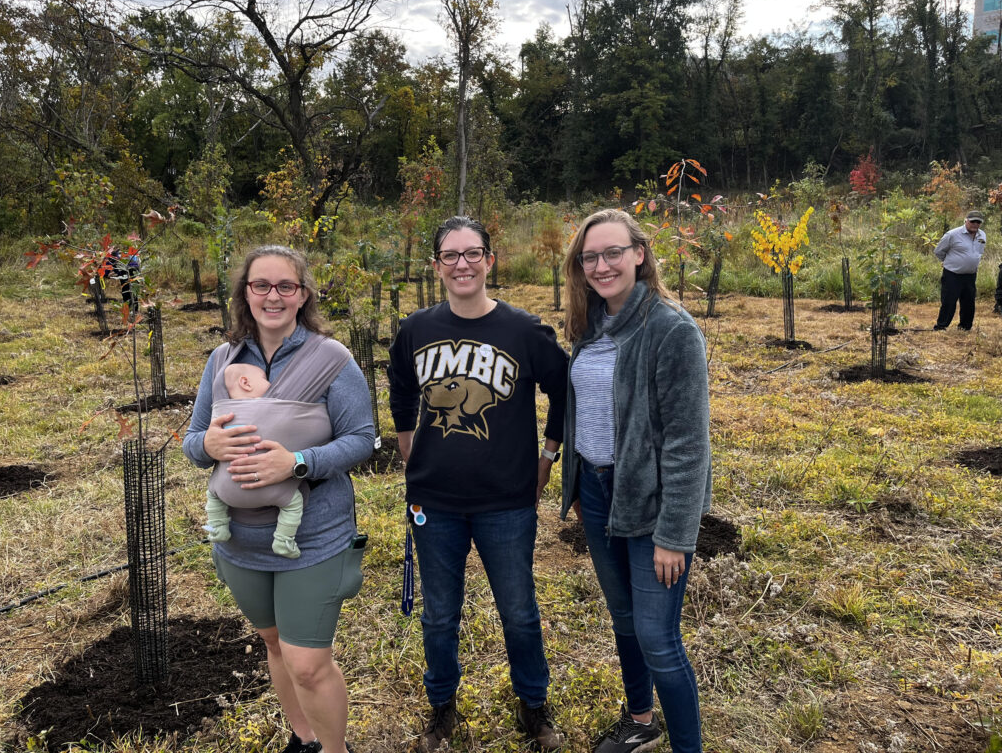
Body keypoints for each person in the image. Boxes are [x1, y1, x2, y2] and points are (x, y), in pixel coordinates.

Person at [387, 216, 569, 753]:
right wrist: (406, 443)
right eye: (450, 255)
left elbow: (564, 392)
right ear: (437, 265)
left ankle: (534, 707)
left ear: (490, 260)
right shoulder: (416, 329)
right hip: (435, 500)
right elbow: (400, 385)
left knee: (519, 611)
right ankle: (441, 708)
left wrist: (549, 454)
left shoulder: (525, 331)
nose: (462, 264)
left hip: (506, 500)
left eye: (472, 254)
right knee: (439, 614)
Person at [183, 245, 374, 753]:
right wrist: (208, 445)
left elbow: (361, 439)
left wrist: (297, 463)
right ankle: (303, 739)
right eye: (260, 285)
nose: (273, 295)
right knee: (273, 643)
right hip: (241, 542)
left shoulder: (331, 359)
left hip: (311, 536)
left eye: (285, 286)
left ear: (303, 294)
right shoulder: (223, 360)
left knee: (308, 663)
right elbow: (193, 439)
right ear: (245, 294)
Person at [559, 209, 711, 753]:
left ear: (640, 254)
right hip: (599, 497)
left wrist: (675, 534)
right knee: (624, 620)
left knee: (658, 637)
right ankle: (641, 721)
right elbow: (582, 412)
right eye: (590, 257)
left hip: (650, 505)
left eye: (613, 253)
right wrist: (576, 486)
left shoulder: (671, 330)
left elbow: (688, 445)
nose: (602, 266)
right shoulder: (590, 322)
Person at [204, 363, 306, 559]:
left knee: (212, 494)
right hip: (273, 487)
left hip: (227, 488)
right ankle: (284, 539)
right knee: (294, 503)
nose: (270, 383)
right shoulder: (275, 408)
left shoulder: (223, 414)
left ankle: (217, 527)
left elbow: (201, 434)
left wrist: (206, 442)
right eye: (265, 379)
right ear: (246, 383)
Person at [933, 210, 986, 331]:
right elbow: (938, 251)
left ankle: (965, 327)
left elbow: (979, 251)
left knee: (969, 302)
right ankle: (941, 326)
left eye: (978, 222)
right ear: (966, 220)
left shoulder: (982, 235)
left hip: (970, 275)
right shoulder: (952, 234)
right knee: (949, 302)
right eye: (972, 221)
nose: (975, 224)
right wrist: (948, 262)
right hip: (952, 274)